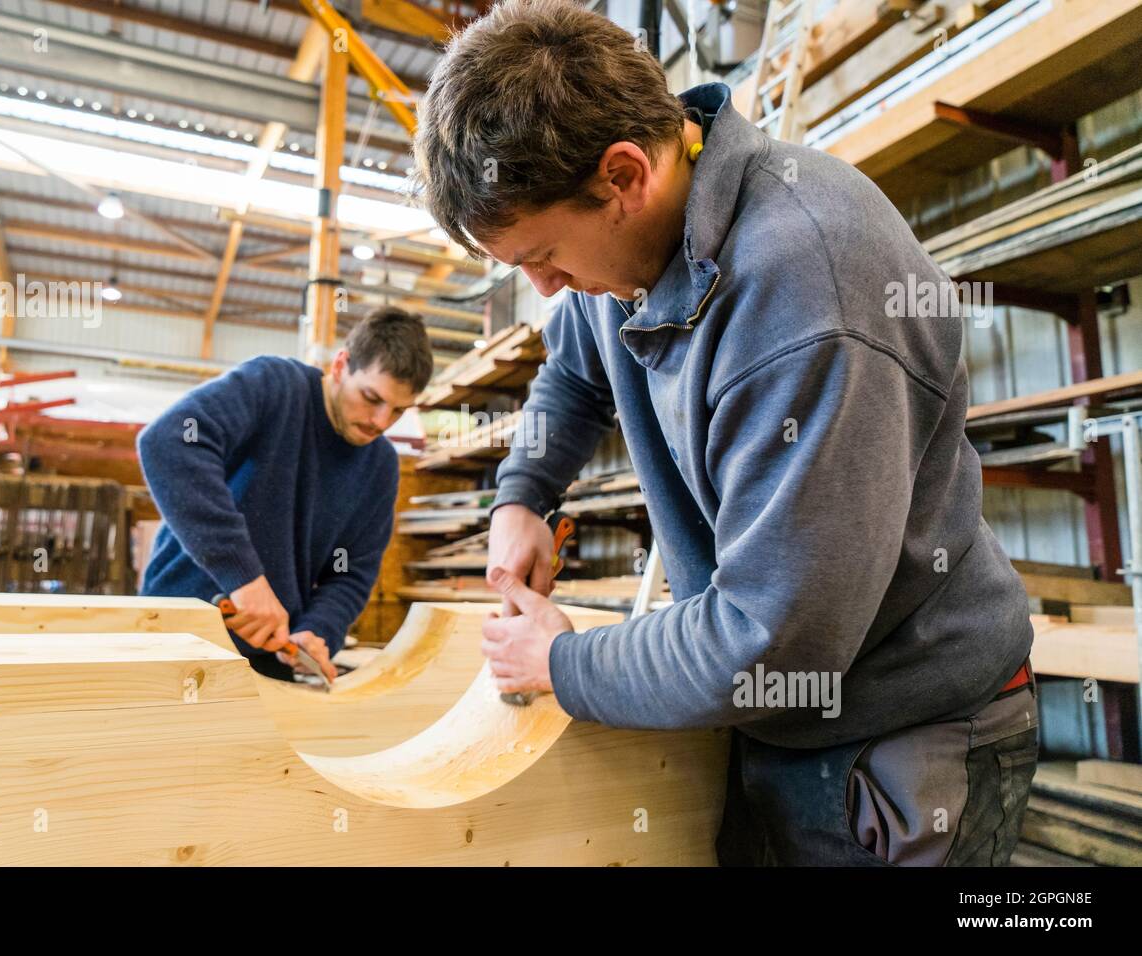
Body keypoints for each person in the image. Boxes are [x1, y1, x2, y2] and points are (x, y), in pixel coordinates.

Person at [412, 0, 1038, 865]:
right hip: (770, 719)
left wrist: (564, 665)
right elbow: (571, 367)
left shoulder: (806, 296)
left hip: (902, 732)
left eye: (541, 258)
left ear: (625, 175)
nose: (549, 288)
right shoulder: (624, 255)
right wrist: (524, 490)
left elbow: (771, 634)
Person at [138, 306, 433, 682]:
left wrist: (319, 629)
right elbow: (171, 441)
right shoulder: (274, 386)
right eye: (371, 398)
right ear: (341, 366)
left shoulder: (379, 467)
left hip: (267, 661)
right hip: (174, 633)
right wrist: (244, 579)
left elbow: (349, 571)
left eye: (398, 411)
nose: (381, 421)